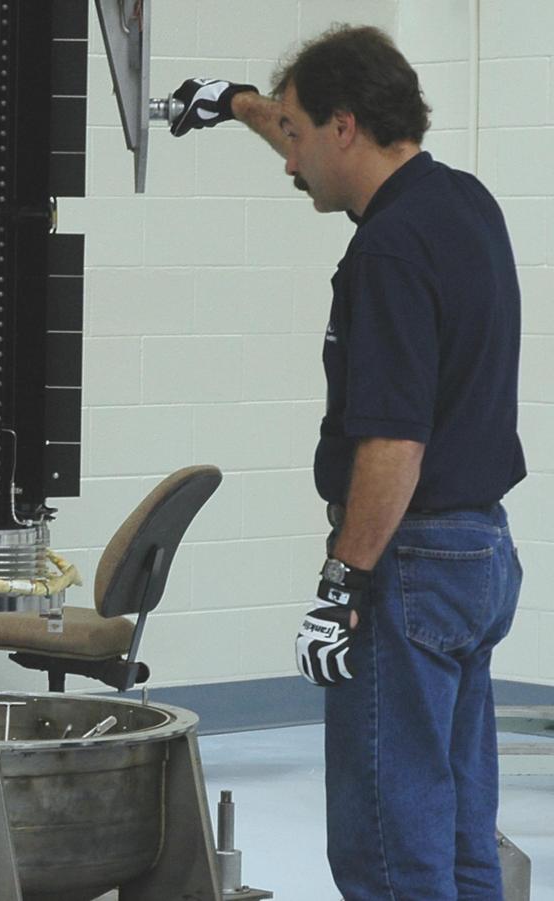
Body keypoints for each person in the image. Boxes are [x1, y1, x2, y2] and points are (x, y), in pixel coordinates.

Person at [169, 26, 524, 901]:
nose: (289, 164)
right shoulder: (465, 203)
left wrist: (342, 586)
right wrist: (236, 105)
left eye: (293, 134)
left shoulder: (389, 251)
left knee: (388, 846)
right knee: (457, 836)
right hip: (479, 559)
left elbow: (395, 447)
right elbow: (300, 130)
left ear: (344, 128)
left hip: (409, 565)